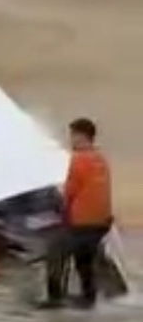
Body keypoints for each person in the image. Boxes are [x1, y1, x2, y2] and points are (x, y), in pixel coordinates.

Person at [42, 117, 114, 310]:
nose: (71, 140)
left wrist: (61, 212)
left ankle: (55, 297)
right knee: (85, 259)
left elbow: (70, 192)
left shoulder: (79, 159)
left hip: (83, 221)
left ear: (81, 136)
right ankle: (89, 298)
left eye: (73, 136)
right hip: (102, 221)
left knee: (56, 250)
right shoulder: (100, 159)